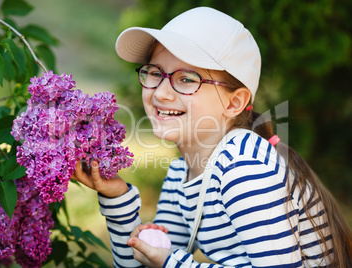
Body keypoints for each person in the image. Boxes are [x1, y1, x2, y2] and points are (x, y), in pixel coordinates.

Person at [72, 6, 352, 267]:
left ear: (234, 103)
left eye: (187, 79)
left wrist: (172, 262)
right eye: (155, 73)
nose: (159, 93)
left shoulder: (244, 169)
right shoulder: (182, 170)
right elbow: (142, 264)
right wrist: (117, 197)